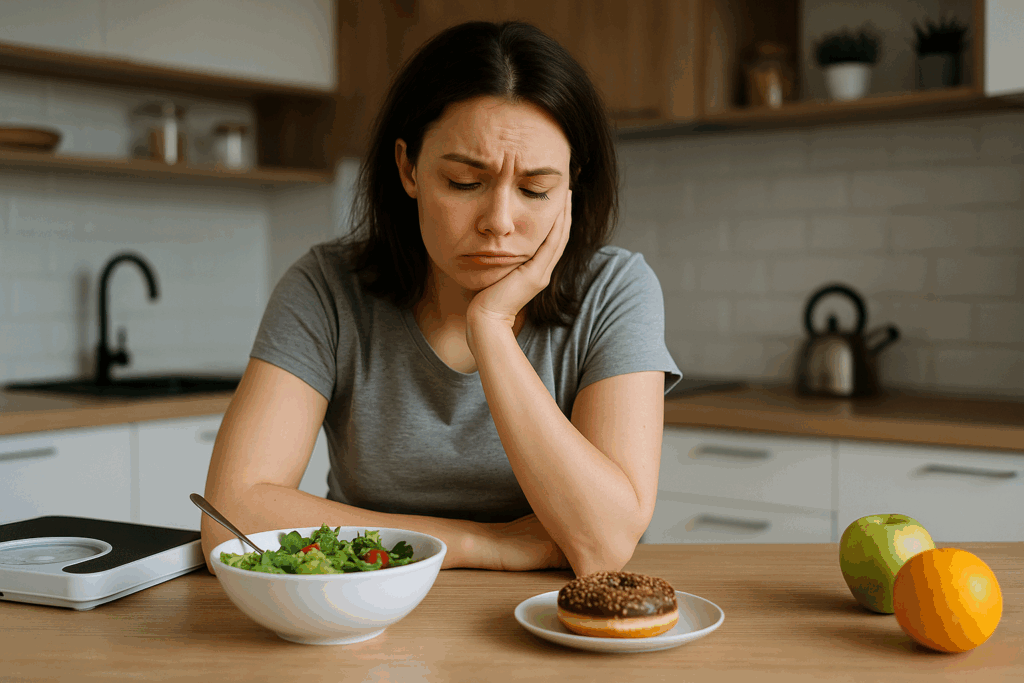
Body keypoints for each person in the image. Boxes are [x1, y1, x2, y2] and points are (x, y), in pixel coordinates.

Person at [201, 20, 680, 577]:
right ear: (408, 168)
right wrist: (484, 544)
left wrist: (492, 326)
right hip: (363, 612)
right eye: (463, 182)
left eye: (536, 190)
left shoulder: (615, 289)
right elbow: (229, 514)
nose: (499, 222)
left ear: (572, 182)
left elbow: (605, 546)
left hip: (549, 624)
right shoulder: (326, 287)